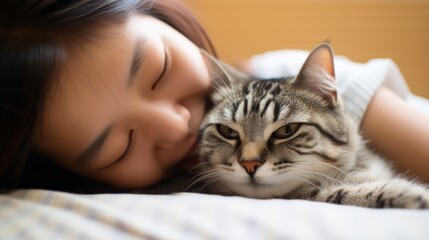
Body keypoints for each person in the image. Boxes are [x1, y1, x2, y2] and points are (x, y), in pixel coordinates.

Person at [1, 0, 428, 193]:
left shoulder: (313, 85)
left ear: (162, 11)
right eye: (119, 147)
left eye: (159, 70)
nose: (177, 125)